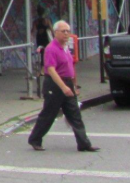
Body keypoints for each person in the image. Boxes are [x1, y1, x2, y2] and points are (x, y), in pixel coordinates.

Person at [28, 21, 99, 152]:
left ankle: (84, 144)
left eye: (68, 31)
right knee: (49, 114)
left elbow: (70, 67)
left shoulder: (66, 48)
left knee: (75, 114)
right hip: (54, 85)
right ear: (56, 33)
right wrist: (63, 87)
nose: (66, 34)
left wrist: (74, 86)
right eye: (63, 31)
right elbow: (51, 70)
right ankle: (35, 139)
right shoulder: (51, 48)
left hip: (67, 82)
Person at [31, 7, 53, 97]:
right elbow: (51, 29)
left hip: (39, 38)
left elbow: (33, 31)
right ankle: (43, 69)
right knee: (45, 53)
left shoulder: (36, 21)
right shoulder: (47, 20)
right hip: (46, 38)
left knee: (41, 53)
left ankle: (42, 69)